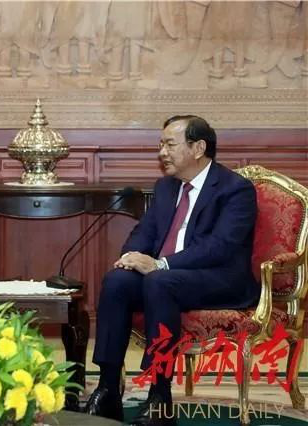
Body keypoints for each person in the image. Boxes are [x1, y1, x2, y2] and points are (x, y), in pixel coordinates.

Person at [84, 115, 259, 426]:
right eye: (160, 145)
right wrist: (131, 256)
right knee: (117, 281)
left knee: (159, 282)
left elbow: (220, 246)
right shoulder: (166, 187)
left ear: (198, 148)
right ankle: (108, 388)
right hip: (167, 277)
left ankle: (159, 396)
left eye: (169, 145)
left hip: (218, 279)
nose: (161, 152)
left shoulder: (235, 189)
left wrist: (161, 264)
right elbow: (145, 231)